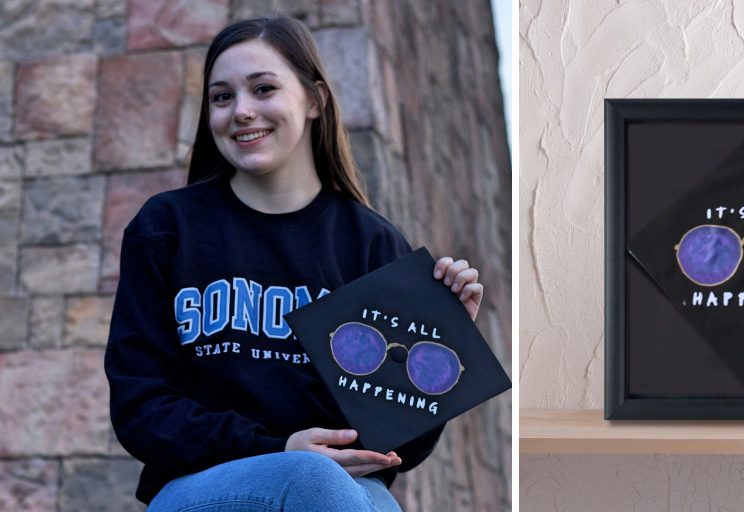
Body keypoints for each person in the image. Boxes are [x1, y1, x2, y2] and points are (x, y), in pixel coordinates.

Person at [104, 15, 484, 511]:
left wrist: (441, 350)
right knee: (312, 479)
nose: (241, 111)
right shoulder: (168, 227)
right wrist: (277, 450)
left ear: (315, 101)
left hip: (341, 491)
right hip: (198, 484)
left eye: (263, 89)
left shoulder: (371, 243)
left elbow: (396, 449)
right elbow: (141, 406)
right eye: (222, 97)